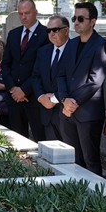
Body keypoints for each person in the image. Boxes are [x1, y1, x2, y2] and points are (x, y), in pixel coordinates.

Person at [55, 3, 106, 175]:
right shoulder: (71, 44)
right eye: (74, 18)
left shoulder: (100, 45)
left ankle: (96, 198)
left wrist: (73, 102)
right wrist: (65, 100)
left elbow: (95, 80)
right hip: (67, 111)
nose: (76, 22)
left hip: (88, 113)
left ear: (92, 21)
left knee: (90, 160)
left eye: (80, 19)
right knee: (74, 159)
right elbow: (60, 74)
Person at [1, 0, 48, 141]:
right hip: (14, 96)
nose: (23, 17)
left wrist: (24, 90)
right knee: (17, 139)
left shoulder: (45, 34)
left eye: (27, 13)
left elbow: (41, 68)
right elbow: (6, 64)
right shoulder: (14, 34)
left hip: (33, 96)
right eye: (20, 14)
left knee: (40, 137)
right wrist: (12, 88)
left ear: (36, 13)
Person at [32, 15, 71, 143]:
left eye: (55, 30)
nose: (51, 34)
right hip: (46, 111)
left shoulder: (75, 50)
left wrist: (55, 98)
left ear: (66, 30)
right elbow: (36, 77)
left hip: (66, 112)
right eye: (48, 31)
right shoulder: (43, 51)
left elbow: (75, 80)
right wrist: (41, 97)